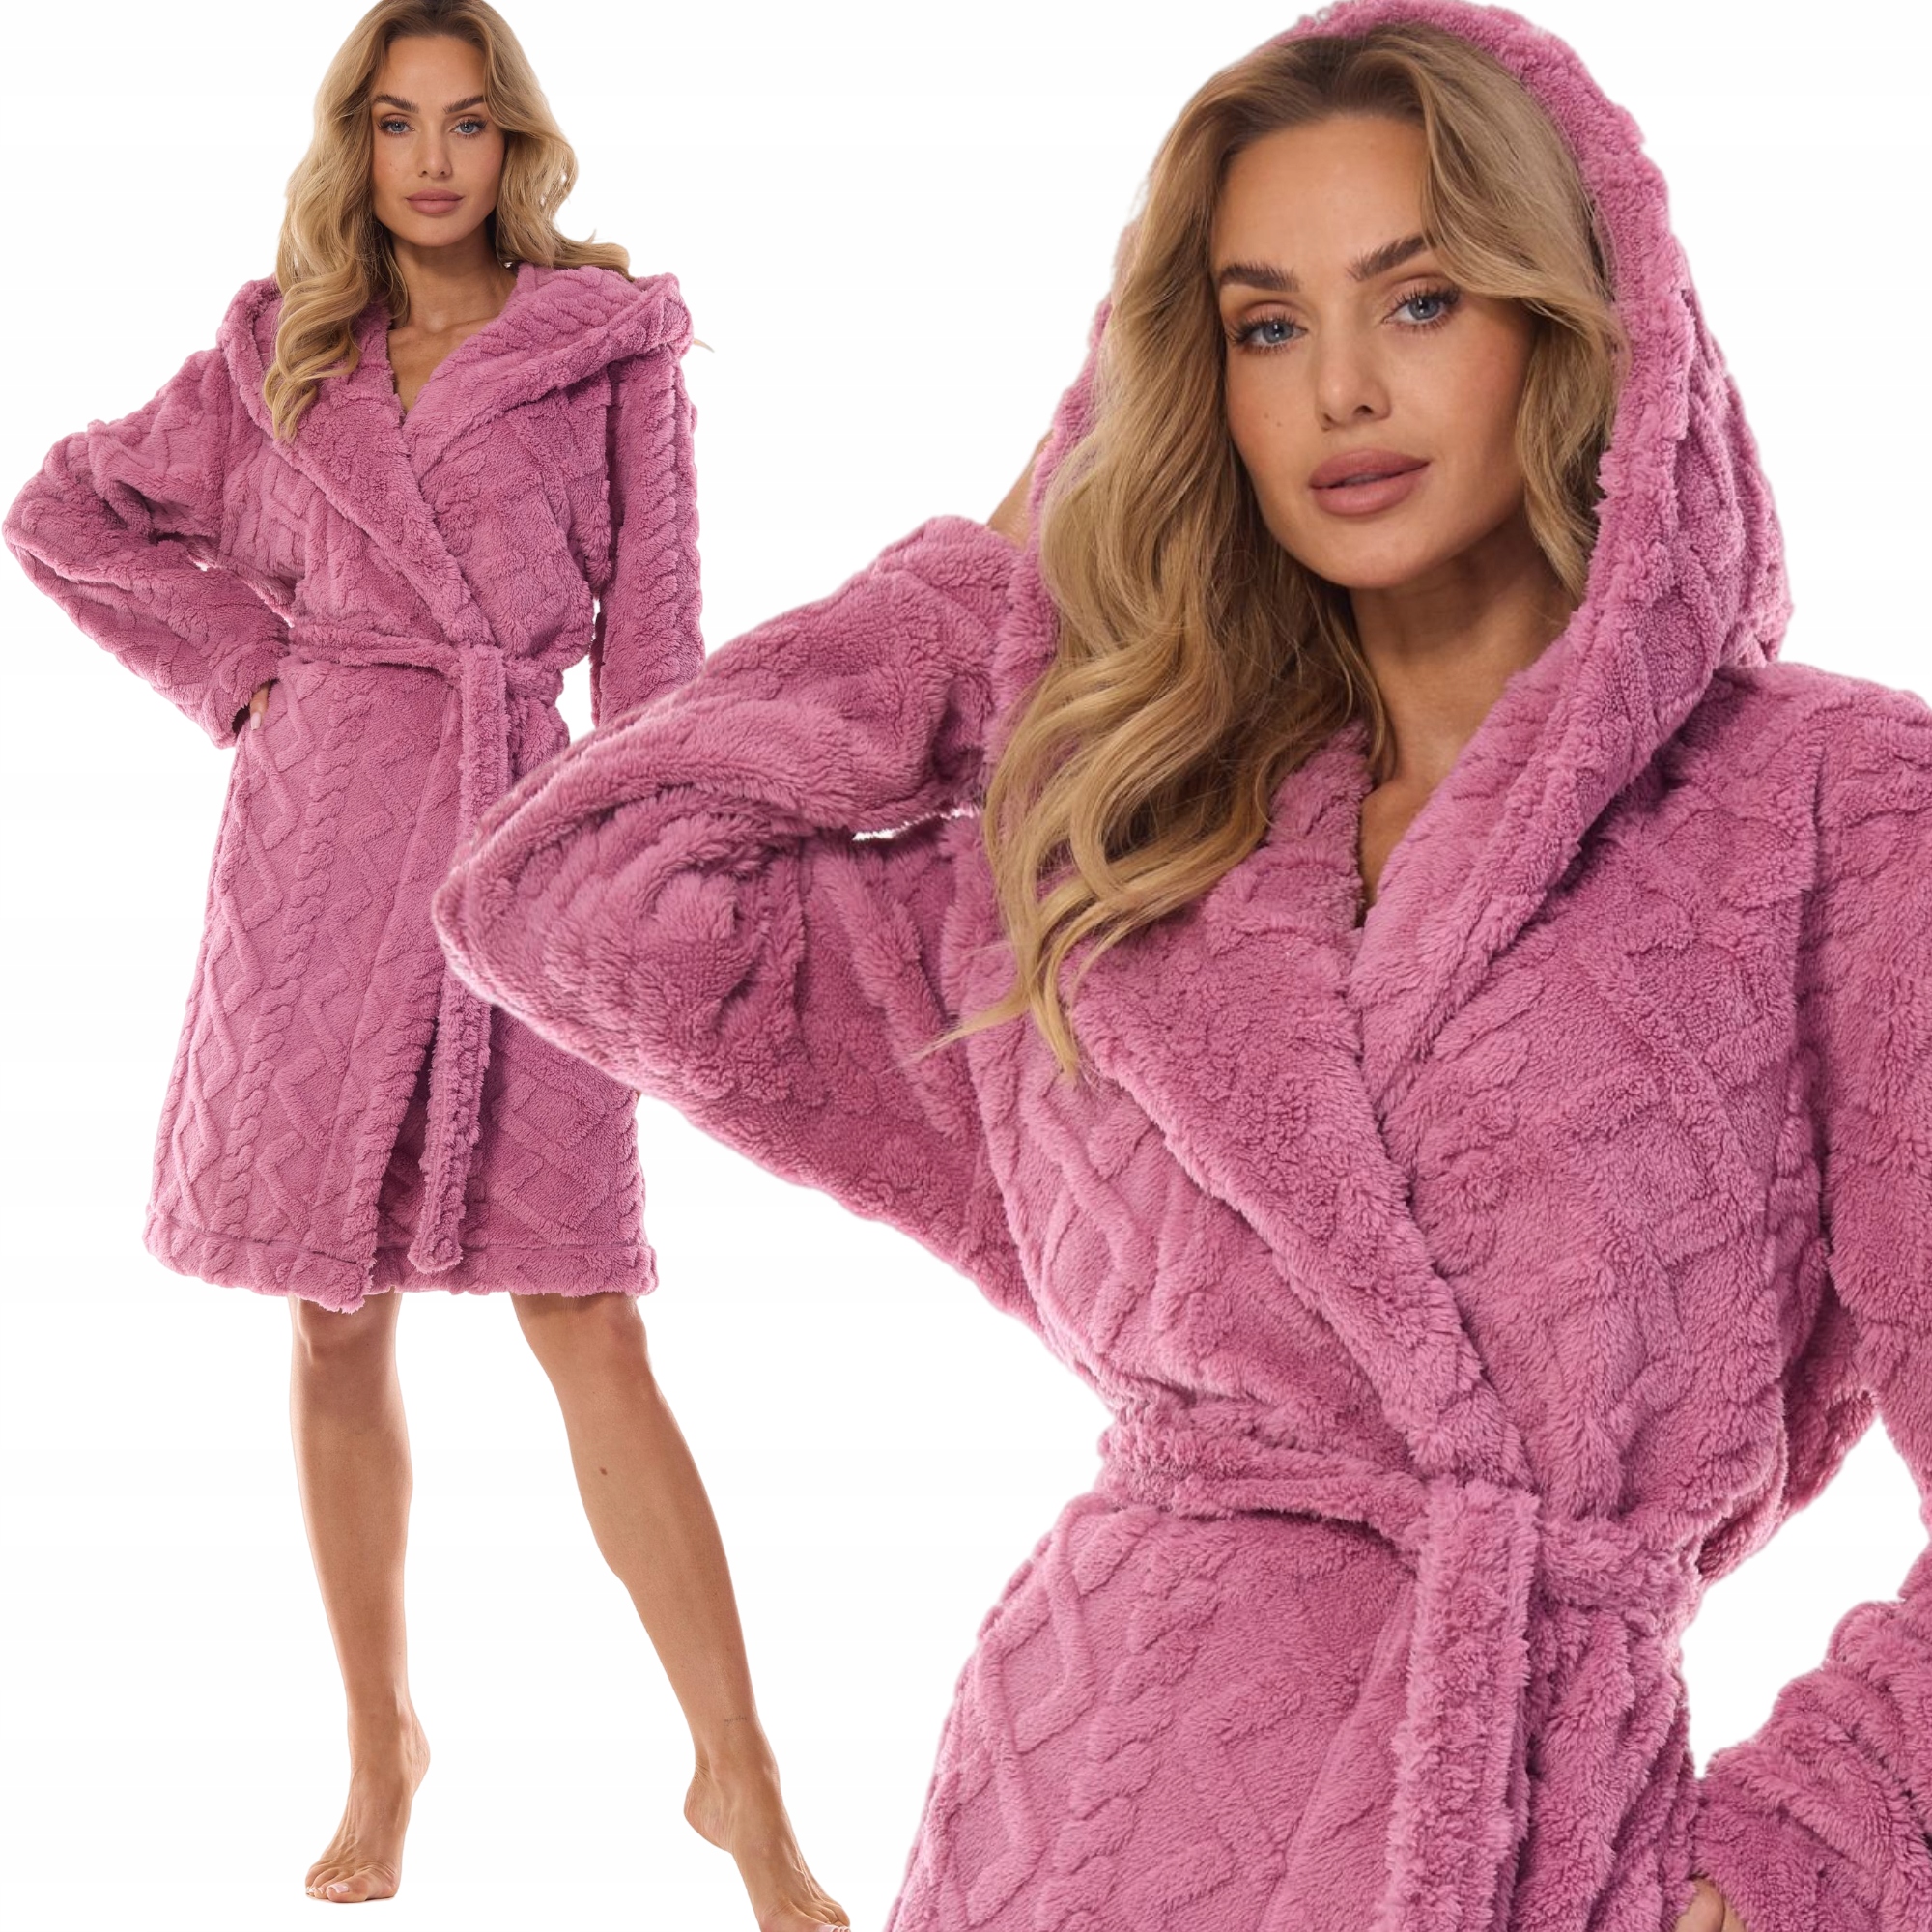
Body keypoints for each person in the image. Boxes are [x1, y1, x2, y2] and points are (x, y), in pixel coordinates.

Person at [431, 1, 1932, 1929]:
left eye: (1419, 301)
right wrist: (997, 585)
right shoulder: (1127, 850)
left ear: (1574, 328)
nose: (1341, 392)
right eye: (1264, 326)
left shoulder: (1831, 811)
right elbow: (572, 896)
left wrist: (1790, 1864)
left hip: (1519, 1835)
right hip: (1061, 1814)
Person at [3, 4, 847, 1926]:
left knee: (587, 1309)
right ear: (358, 144)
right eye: (398, 123)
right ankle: (381, 1738)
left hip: (518, 845)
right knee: (329, 1312)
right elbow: (64, 512)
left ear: (515, 143)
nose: (436, 160)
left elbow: (658, 654)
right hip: (315, 853)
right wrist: (246, 664)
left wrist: (658, 872)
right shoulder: (278, 351)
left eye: (469, 123)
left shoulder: (608, 348)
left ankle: (739, 1776)